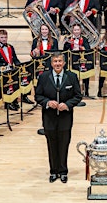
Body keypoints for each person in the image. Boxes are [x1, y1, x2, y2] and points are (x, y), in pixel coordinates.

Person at [34, 51, 82, 183]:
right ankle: (53, 171)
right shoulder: (43, 77)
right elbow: (38, 96)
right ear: (51, 63)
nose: (57, 64)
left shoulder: (72, 76)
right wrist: (47, 103)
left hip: (65, 118)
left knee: (64, 144)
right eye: (55, 61)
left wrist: (67, 105)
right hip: (49, 118)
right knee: (51, 145)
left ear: (64, 63)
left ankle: (63, 171)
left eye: (60, 61)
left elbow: (78, 96)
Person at [0, 29, 23, 110]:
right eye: (2, 37)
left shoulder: (10, 47)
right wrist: (2, 70)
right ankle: (8, 104)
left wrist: (20, 66)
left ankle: (14, 101)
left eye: (5, 37)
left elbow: (15, 59)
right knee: (7, 86)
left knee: (16, 84)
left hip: (12, 70)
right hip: (3, 72)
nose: (4, 39)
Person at [63, 24, 92, 97]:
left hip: (83, 60)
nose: (76, 32)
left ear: (80, 30)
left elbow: (88, 49)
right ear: (72, 30)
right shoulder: (68, 39)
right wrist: (72, 49)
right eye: (75, 30)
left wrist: (81, 48)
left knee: (86, 74)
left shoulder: (84, 39)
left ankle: (86, 91)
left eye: (78, 30)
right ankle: (75, 92)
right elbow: (65, 51)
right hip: (72, 61)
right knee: (73, 77)